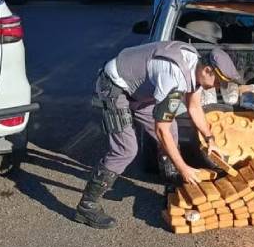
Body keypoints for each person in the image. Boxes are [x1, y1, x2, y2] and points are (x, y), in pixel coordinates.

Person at [77, 41, 242, 229]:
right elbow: (160, 130)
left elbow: (194, 107)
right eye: (218, 82)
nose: (217, 87)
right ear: (207, 70)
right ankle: (86, 207)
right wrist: (184, 168)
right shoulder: (174, 77)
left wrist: (209, 139)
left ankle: (173, 190)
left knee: (173, 130)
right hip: (116, 86)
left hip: (140, 92)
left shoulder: (194, 65)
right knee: (126, 150)